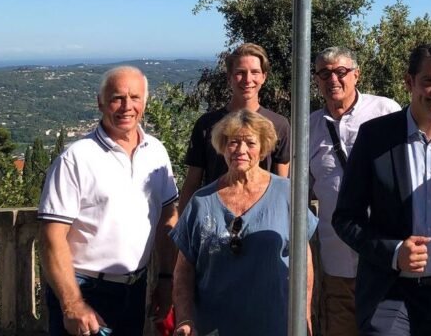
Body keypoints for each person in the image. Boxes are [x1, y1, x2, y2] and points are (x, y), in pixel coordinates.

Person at [333, 43, 431, 336]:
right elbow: (345, 218)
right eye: (430, 81)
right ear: (409, 82)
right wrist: (394, 252)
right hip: (389, 294)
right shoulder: (375, 137)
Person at [38, 66, 178, 336]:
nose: (127, 106)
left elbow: (168, 217)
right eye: (117, 98)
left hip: (135, 289)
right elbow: (51, 237)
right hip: (85, 290)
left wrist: (165, 279)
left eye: (135, 97)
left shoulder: (156, 152)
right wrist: (73, 304)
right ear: (100, 103)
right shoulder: (76, 158)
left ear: (145, 102)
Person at [171, 109, 317, 336]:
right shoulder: (201, 201)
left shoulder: (288, 194)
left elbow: (304, 263)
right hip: (213, 327)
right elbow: (183, 271)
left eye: (250, 143)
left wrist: (304, 316)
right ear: (222, 146)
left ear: (263, 148)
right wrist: (185, 319)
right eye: (233, 142)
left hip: (274, 324)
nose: (241, 150)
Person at [309, 46, 401, 336]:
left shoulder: (385, 111)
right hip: (335, 261)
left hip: (383, 258)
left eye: (341, 72)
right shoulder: (309, 127)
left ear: (356, 75)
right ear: (316, 79)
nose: (333, 80)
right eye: (325, 73)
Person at [179, 42, 290, 208]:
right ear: (229, 77)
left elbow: (282, 185)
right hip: (214, 214)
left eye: (255, 72)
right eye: (240, 73)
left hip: (263, 215)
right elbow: (192, 183)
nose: (248, 79)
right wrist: (184, 220)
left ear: (264, 77)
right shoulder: (207, 124)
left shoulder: (279, 125)